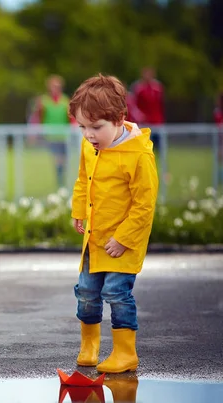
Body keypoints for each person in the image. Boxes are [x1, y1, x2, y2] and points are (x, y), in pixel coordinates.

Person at [69, 74, 159, 374]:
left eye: (96, 127)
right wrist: (79, 209)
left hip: (123, 243)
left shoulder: (138, 155)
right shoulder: (90, 147)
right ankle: (90, 345)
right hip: (95, 238)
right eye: (82, 127)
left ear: (120, 118)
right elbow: (84, 180)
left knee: (117, 294)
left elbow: (144, 205)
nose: (88, 134)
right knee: (86, 292)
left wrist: (123, 238)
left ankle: (125, 352)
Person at [29, 74, 74, 189]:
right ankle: (59, 184)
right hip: (50, 137)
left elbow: (70, 119)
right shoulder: (44, 101)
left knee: (64, 162)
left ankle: (62, 183)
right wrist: (34, 133)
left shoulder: (65, 101)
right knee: (57, 160)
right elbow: (38, 118)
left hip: (64, 136)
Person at [130, 67, 165, 153]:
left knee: (160, 147)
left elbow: (161, 105)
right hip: (144, 123)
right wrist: (139, 116)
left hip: (157, 122)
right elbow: (133, 104)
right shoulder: (138, 88)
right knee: (144, 146)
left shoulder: (158, 88)